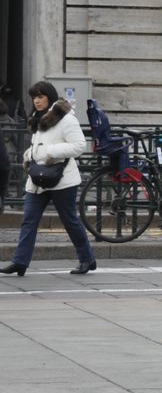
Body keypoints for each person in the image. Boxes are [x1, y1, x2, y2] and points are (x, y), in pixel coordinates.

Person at [2, 81, 96, 276]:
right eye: (34, 97)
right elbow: (38, 146)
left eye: (40, 96)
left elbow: (79, 146)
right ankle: (20, 261)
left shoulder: (65, 119)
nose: (36, 101)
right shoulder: (37, 118)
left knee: (69, 220)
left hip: (61, 179)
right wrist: (29, 155)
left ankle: (87, 258)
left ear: (50, 97)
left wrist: (49, 152)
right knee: (29, 220)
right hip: (38, 178)